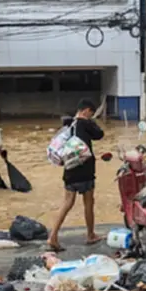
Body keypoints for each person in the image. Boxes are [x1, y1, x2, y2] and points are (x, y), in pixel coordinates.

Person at [47, 99, 104, 251]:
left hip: (70, 169)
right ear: (86, 111)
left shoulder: (68, 125)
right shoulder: (85, 123)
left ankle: (53, 236)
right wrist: (91, 122)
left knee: (67, 203)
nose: (91, 116)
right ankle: (90, 234)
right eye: (91, 114)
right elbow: (100, 134)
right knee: (89, 202)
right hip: (85, 170)